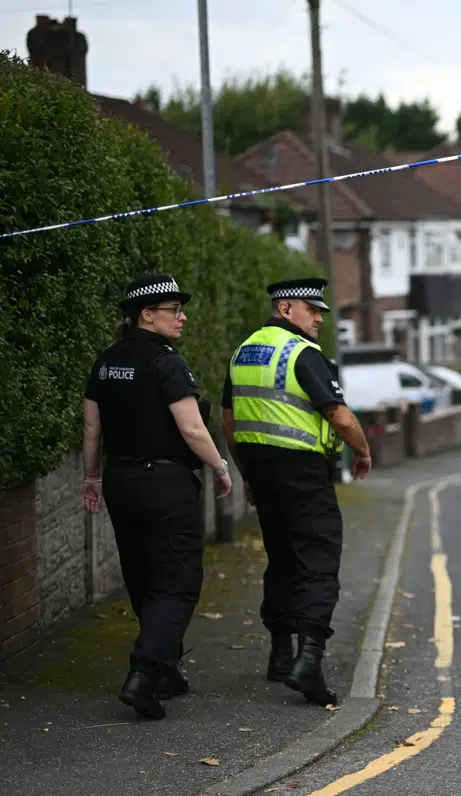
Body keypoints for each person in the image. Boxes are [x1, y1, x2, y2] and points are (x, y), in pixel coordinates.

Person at [82, 273, 234, 720]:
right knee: (178, 582)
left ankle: (164, 669)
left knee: (144, 578)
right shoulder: (167, 362)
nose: (183, 318)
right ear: (146, 315)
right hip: (164, 485)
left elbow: (92, 429)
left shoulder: (106, 361)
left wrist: (91, 477)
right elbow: (191, 427)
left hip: (121, 482)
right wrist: (221, 467)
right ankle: (144, 675)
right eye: (174, 310)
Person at [221, 278, 372, 707]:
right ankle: (308, 661)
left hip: (262, 472)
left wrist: (248, 470)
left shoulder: (243, 351)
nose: (320, 318)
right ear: (286, 308)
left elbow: (229, 420)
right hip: (304, 472)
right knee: (317, 563)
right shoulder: (303, 354)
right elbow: (340, 417)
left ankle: (280, 653)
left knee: (282, 558)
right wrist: (362, 452)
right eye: (313, 309)